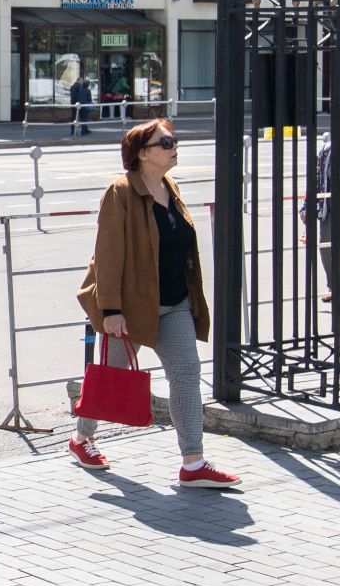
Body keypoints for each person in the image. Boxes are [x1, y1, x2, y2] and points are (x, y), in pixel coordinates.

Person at [71, 120, 239, 487]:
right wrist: (111, 310)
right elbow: (108, 254)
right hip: (129, 309)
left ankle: (192, 464)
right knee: (110, 377)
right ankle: (82, 438)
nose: (173, 146)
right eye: (165, 142)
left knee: (187, 374)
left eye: (173, 140)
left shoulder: (169, 187)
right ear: (142, 153)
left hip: (174, 304)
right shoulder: (120, 192)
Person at [305, 114, 340, 304]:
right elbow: (315, 178)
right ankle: (334, 285)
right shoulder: (326, 151)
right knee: (326, 247)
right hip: (329, 208)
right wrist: (307, 207)